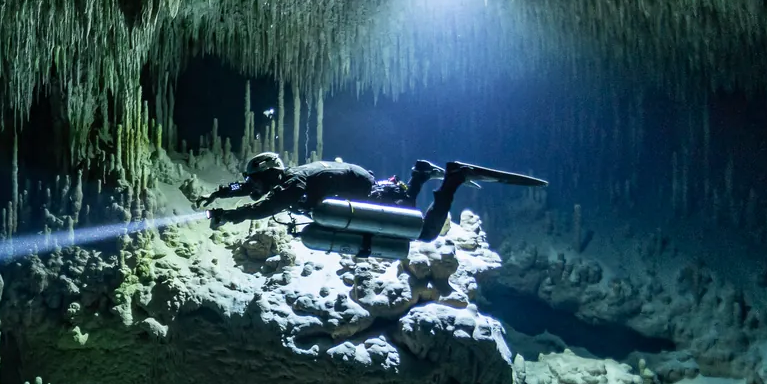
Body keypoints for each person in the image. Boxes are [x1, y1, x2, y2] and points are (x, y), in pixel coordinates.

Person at [204, 153, 540, 241]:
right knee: (403, 203)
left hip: (366, 192)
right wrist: (216, 196)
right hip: (363, 187)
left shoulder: (292, 183)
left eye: (256, 180)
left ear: (269, 174)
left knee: (423, 233)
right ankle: (420, 173)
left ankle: (452, 178)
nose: (253, 185)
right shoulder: (288, 178)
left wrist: (229, 216)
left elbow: (266, 206)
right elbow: (248, 190)